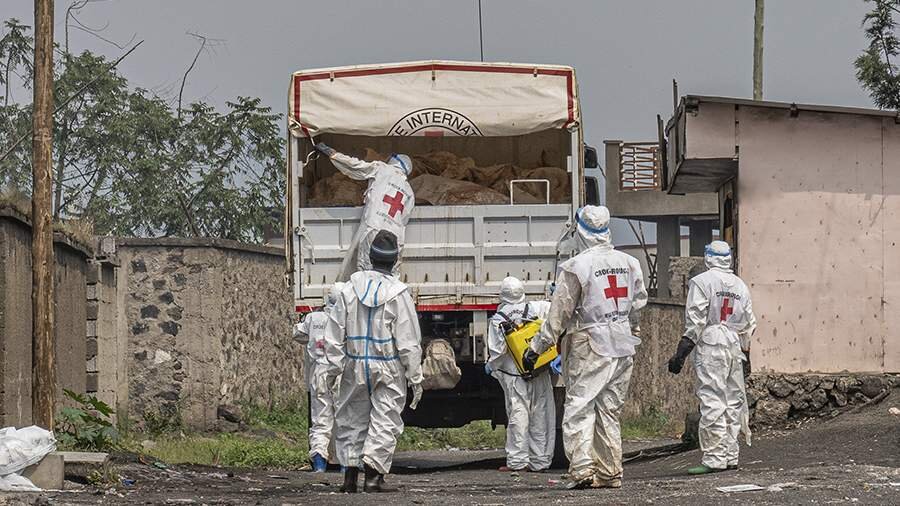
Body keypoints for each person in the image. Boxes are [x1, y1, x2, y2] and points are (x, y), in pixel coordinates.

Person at [523, 205, 647, 489]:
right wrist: (633, 331)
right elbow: (637, 305)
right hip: (622, 342)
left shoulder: (576, 266)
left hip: (589, 343)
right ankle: (609, 472)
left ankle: (581, 470)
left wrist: (537, 347)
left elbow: (559, 313)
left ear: (580, 231)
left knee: (579, 406)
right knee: (609, 409)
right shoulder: (629, 262)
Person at [324, 230, 424, 493]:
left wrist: (332, 370)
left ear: (370, 257)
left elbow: (334, 333)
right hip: (388, 366)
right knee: (385, 419)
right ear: (394, 260)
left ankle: (348, 479)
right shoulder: (399, 294)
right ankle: (373, 478)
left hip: (354, 364)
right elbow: (408, 340)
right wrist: (415, 377)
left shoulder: (348, 290)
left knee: (350, 419)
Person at [667, 240, 757, 475]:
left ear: (708, 258)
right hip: (734, 346)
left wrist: (681, 352)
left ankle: (714, 458)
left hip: (711, 343)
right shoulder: (740, 285)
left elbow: (696, 319)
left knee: (712, 399)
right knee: (733, 400)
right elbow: (749, 323)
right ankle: (730, 455)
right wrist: (743, 350)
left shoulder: (702, 282)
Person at [314, 142, 415, 281]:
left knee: (366, 276)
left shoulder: (382, 169)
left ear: (394, 161)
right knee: (392, 281)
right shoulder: (409, 191)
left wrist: (334, 155)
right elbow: (404, 219)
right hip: (395, 238)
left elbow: (355, 166)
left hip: (374, 228)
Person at [485, 276, 555, 473]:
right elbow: (556, 312)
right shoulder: (535, 309)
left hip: (514, 375)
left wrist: (491, 367)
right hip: (538, 370)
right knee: (540, 414)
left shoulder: (499, 319)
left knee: (518, 415)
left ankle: (517, 462)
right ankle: (540, 461)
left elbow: (498, 352)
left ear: (502, 295)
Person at [294, 282, 345, 472]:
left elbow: (298, 334)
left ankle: (319, 463)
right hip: (342, 373)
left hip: (320, 373)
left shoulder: (313, 318)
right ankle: (346, 465)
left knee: (320, 420)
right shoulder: (350, 319)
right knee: (344, 420)